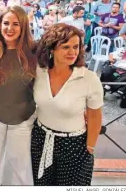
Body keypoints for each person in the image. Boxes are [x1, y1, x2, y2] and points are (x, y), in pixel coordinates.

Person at [32, 23, 103, 185]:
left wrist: (90, 148)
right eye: (65, 47)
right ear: (51, 49)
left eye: (76, 47)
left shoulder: (89, 79)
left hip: (74, 145)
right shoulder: (39, 72)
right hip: (40, 139)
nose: (72, 52)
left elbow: (95, 118)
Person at [0, 5, 37, 185]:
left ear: (23, 27)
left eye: (15, 24)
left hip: (23, 116)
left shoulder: (34, 52)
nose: (10, 28)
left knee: (19, 167)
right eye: (6, 23)